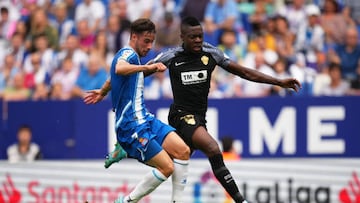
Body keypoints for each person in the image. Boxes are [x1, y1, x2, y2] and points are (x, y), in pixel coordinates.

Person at [86, 16, 301, 203]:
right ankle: (240, 200)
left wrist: (278, 82)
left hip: (198, 118)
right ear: (183, 38)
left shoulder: (212, 53)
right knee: (213, 149)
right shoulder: (170, 56)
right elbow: (128, 73)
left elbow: (244, 72)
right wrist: (107, 89)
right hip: (180, 116)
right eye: (193, 37)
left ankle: (126, 152)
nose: (198, 40)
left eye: (201, 36)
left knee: (181, 155)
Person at [84, 18, 190, 203]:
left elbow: (114, 77)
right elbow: (119, 68)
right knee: (167, 167)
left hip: (145, 119)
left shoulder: (131, 57)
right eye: (146, 41)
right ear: (134, 37)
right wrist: (148, 67)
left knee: (183, 150)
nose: (149, 46)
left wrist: (102, 91)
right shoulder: (128, 54)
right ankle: (127, 201)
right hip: (131, 126)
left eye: (152, 42)